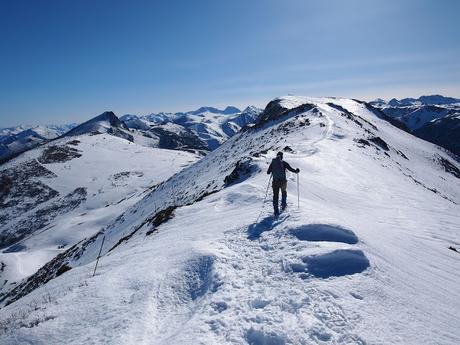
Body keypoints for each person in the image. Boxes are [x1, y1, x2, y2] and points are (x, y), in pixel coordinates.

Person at [267, 151, 300, 215]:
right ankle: (283, 205)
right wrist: (296, 171)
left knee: (275, 196)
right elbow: (291, 169)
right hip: (283, 182)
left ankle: (276, 210)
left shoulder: (273, 163)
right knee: (284, 192)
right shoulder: (284, 163)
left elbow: (268, 172)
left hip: (275, 182)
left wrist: (273, 170)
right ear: (282, 156)